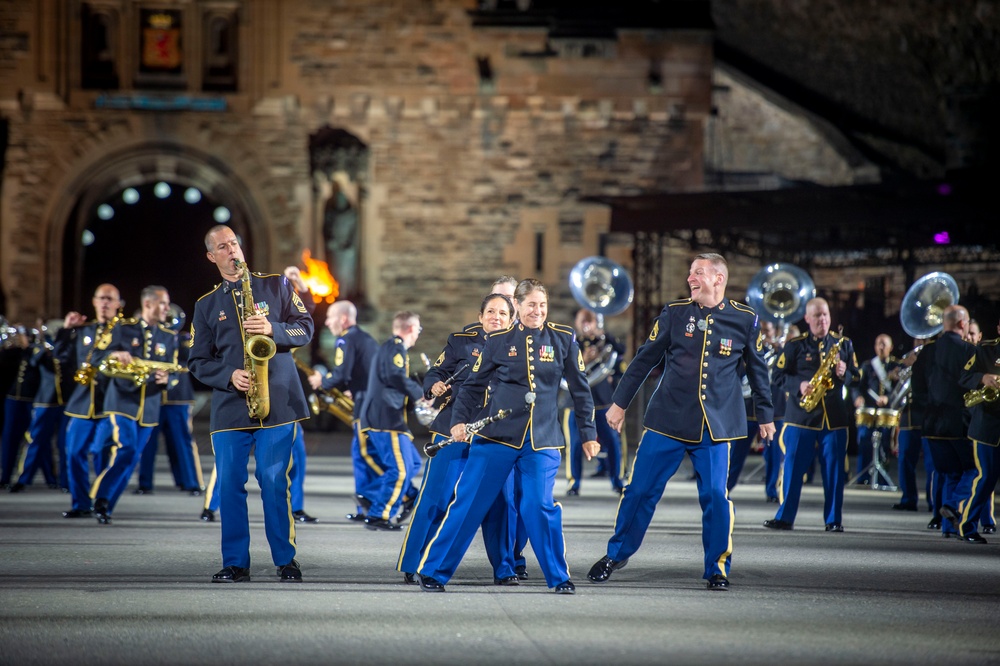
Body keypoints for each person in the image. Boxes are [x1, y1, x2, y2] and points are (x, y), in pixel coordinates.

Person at [587, 253, 774, 591]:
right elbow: (645, 359)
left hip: (714, 426)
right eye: (690, 272)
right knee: (640, 490)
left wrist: (766, 416)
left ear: (719, 278)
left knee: (716, 497)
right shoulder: (674, 314)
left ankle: (717, 566)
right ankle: (616, 554)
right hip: (667, 420)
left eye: (699, 272)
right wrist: (619, 403)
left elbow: (759, 371)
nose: (691, 278)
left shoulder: (745, 319)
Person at [417, 278, 599, 594]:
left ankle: (559, 576)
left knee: (538, 506)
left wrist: (588, 433)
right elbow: (473, 386)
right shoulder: (499, 341)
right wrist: (458, 422)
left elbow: (581, 392)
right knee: (469, 503)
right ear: (517, 305)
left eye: (542, 305)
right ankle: (435, 570)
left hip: (542, 440)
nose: (537, 311)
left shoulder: (562, 339)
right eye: (531, 305)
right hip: (496, 437)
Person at [189, 224, 314, 583]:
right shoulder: (206, 305)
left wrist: (273, 328)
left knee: (274, 482)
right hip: (231, 406)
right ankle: (235, 562)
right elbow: (198, 361)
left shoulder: (277, 284)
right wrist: (229, 376)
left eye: (234, 244)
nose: (232, 251)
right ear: (212, 257)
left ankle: (286, 559)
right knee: (229, 484)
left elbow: (305, 327)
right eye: (222, 248)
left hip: (278, 403)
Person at [397, 293, 518, 585]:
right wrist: (433, 385)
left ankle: (505, 569)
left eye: (503, 313)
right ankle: (413, 562)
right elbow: (437, 370)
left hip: (495, 434)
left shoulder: (520, 346)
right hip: (453, 428)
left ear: (511, 318)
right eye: (491, 311)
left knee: (499, 504)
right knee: (436, 497)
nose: (496, 318)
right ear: (480, 316)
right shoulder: (461, 340)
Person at [764, 298, 859, 532]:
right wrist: (799, 384)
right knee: (794, 470)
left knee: (835, 471)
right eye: (817, 316)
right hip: (800, 418)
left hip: (834, 419)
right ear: (807, 319)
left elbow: (857, 376)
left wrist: (845, 373)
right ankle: (785, 517)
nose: (822, 320)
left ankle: (833, 520)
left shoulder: (843, 344)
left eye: (825, 315)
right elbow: (777, 376)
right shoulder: (795, 345)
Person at [89, 286, 178, 524]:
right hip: (121, 401)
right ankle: (101, 498)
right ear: (148, 304)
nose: (167, 308)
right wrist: (115, 356)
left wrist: (167, 380)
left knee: (131, 458)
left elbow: (174, 372)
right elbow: (97, 357)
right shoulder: (123, 328)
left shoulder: (169, 337)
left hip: (149, 405)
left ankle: (106, 505)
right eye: (163, 303)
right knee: (126, 448)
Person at [910, 305, 981, 542]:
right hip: (960, 424)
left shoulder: (926, 352)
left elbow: (917, 389)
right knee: (974, 470)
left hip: (931, 425)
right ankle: (952, 505)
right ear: (962, 324)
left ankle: (948, 528)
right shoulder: (970, 351)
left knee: (951, 473)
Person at [53, 284, 123, 518]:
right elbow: (60, 357)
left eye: (109, 299)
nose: (104, 303)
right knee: (73, 453)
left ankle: (103, 504)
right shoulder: (84, 331)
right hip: (82, 403)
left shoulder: (124, 331)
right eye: (100, 298)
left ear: (118, 304)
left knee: (103, 453)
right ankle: (81, 504)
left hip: (110, 403)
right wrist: (66, 330)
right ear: (93, 302)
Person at [307, 299, 380, 522]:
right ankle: (366, 507)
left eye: (330, 317)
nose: (327, 323)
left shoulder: (346, 340)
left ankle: (379, 505)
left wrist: (322, 381)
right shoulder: (365, 338)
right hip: (369, 401)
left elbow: (341, 373)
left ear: (344, 318)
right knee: (365, 456)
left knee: (364, 457)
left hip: (365, 407)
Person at [357, 311, 424, 531]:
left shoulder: (391, 347)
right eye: (418, 330)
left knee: (413, 463)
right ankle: (379, 514)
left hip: (390, 418)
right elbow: (394, 376)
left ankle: (372, 494)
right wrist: (420, 393)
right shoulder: (396, 347)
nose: (418, 335)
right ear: (412, 328)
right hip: (385, 418)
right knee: (401, 470)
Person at [137, 305, 203, 496]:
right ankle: (145, 483)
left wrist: (178, 339)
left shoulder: (181, 339)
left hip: (178, 398)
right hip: (154, 397)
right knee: (148, 442)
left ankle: (191, 482)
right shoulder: (150, 338)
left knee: (183, 442)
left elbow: (191, 358)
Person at [564, 308, 626, 496]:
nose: (587, 325)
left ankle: (618, 480)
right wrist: (583, 359)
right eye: (583, 321)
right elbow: (562, 369)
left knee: (613, 442)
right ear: (576, 323)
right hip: (574, 403)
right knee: (574, 445)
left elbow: (620, 353)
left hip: (602, 401)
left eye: (590, 321)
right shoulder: (570, 342)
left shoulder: (604, 341)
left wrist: (603, 335)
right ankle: (574, 484)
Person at [949, 322, 1000, 540]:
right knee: (986, 477)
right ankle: (967, 526)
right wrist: (983, 378)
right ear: (998, 328)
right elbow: (962, 376)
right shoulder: (986, 350)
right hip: (987, 426)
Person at [10, 323, 70, 492]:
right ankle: (23, 479)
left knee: (65, 444)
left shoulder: (68, 348)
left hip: (66, 400)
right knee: (35, 440)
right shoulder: (40, 349)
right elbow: (34, 361)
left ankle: (65, 481)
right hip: (46, 400)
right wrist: (44, 345)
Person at [283, 265, 319, 524]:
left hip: (283, 393)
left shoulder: (287, 312)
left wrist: (299, 283)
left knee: (298, 453)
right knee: (229, 461)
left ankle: (296, 507)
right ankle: (211, 505)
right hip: (247, 390)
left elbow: (306, 311)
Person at [850, 334, 899, 485]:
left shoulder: (896, 367)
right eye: (879, 344)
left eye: (884, 344)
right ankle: (862, 477)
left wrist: (888, 399)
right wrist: (857, 398)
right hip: (870, 411)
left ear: (891, 347)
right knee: (864, 440)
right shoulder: (868, 365)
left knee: (885, 445)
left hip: (887, 413)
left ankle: (882, 478)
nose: (881, 347)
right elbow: (856, 386)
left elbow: (900, 389)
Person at [1, 326, 40, 489]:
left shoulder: (37, 352)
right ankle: (5, 476)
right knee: (9, 438)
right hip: (13, 399)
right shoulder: (14, 352)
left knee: (31, 439)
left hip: (31, 399)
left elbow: (36, 363)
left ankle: (23, 478)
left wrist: (28, 348)